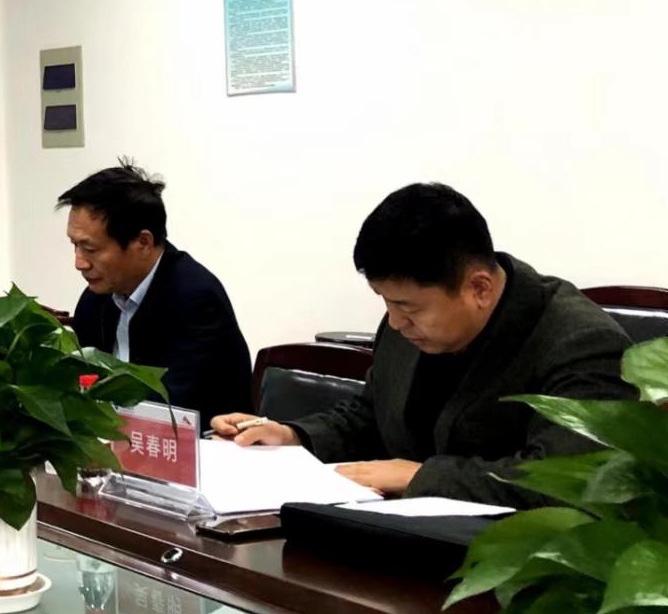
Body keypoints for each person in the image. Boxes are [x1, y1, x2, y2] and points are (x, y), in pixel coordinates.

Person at [211, 184, 634, 507]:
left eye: (406, 307)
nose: (395, 322)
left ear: (479, 288)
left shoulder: (581, 345)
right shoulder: (406, 325)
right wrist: (293, 437)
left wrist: (420, 477)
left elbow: (566, 481)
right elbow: (371, 415)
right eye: (386, 302)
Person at [60, 161, 251, 423]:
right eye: (75, 245)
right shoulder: (96, 298)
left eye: (90, 249)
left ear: (143, 242)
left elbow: (173, 409)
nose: (79, 262)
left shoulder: (195, 298)